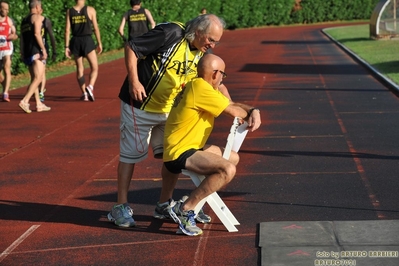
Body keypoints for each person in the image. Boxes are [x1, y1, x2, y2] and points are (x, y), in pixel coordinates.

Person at [107, 14, 229, 227]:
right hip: (139, 106)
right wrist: (134, 82)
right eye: (211, 39)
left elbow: (215, 83)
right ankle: (120, 206)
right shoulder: (170, 33)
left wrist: (233, 107)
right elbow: (132, 47)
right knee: (131, 155)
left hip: (168, 111)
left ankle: (164, 203)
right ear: (198, 32)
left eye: (216, 42)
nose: (213, 45)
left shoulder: (202, 54)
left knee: (172, 155)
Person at [163, 54, 261, 236]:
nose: (223, 79)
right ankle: (186, 208)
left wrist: (254, 110)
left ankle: (193, 201)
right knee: (227, 170)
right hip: (179, 151)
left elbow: (231, 103)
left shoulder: (201, 86)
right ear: (215, 73)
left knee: (233, 157)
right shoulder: (201, 88)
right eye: (223, 74)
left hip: (190, 146)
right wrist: (250, 113)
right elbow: (234, 111)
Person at [65, 0, 102, 102]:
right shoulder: (90, 10)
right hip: (87, 40)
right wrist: (99, 43)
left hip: (75, 40)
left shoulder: (70, 11)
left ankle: (84, 94)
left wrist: (66, 46)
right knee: (94, 68)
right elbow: (96, 28)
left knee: (80, 68)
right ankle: (90, 87)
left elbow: (67, 30)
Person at [19, 0, 50, 113]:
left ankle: (38, 104)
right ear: (37, 7)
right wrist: (43, 49)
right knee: (39, 78)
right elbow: (37, 33)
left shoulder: (24, 20)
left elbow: (22, 38)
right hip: (36, 50)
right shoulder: (37, 18)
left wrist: (22, 52)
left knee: (34, 78)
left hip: (28, 52)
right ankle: (25, 100)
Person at [0, 0, 18, 102]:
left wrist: (13, 36)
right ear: (0, 9)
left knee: (7, 68)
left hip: (7, 49)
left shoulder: (9, 21)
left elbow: (15, 34)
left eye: (8, 9)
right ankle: (5, 86)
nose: (6, 11)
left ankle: (5, 93)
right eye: (4, 9)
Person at [38, 15, 56, 102]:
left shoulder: (45, 21)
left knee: (42, 71)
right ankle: (39, 90)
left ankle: (41, 92)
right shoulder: (30, 20)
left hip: (43, 48)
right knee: (36, 73)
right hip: (33, 49)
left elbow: (51, 36)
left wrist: (54, 51)